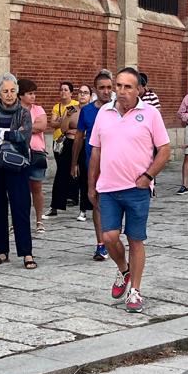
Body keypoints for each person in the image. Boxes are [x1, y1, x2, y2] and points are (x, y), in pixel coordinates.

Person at [88, 67, 171, 313]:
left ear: (138, 90)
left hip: (137, 188)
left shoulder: (151, 114)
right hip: (108, 188)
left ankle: (134, 290)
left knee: (135, 239)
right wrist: (91, 185)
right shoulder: (104, 112)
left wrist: (148, 176)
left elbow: (164, 149)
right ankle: (124, 270)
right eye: (119, 86)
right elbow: (95, 150)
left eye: (128, 87)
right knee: (109, 237)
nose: (121, 91)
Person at [0, 74, 36, 269]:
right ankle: (1, 251)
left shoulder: (24, 114)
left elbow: (24, 136)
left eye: (13, 90)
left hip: (17, 166)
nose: (10, 95)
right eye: (5, 91)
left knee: (20, 208)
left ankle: (26, 253)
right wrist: (8, 137)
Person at [73, 70, 114, 258]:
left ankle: (113, 237)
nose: (106, 91)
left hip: (116, 164)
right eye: (102, 88)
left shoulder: (119, 109)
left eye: (109, 88)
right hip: (94, 164)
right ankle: (101, 243)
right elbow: (79, 137)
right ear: (95, 90)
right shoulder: (88, 111)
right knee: (97, 203)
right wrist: (74, 162)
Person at [19, 79, 48, 233]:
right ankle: (17, 220)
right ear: (21, 95)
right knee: (18, 188)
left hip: (36, 153)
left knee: (37, 187)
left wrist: (22, 128)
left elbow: (42, 125)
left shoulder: (38, 109)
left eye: (34, 93)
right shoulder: (15, 110)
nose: (33, 96)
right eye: (30, 93)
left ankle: (39, 220)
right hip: (18, 154)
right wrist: (30, 127)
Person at [46, 82, 78, 218]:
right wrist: (63, 121)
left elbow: (72, 123)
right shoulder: (56, 106)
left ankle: (73, 196)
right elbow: (52, 123)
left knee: (75, 168)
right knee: (62, 168)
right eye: (61, 90)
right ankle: (62, 198)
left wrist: (61, 120)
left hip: (73, 140)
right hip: (59, 141)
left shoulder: (76, 105)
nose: (63, 92)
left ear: (71, 93)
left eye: (66, 90)